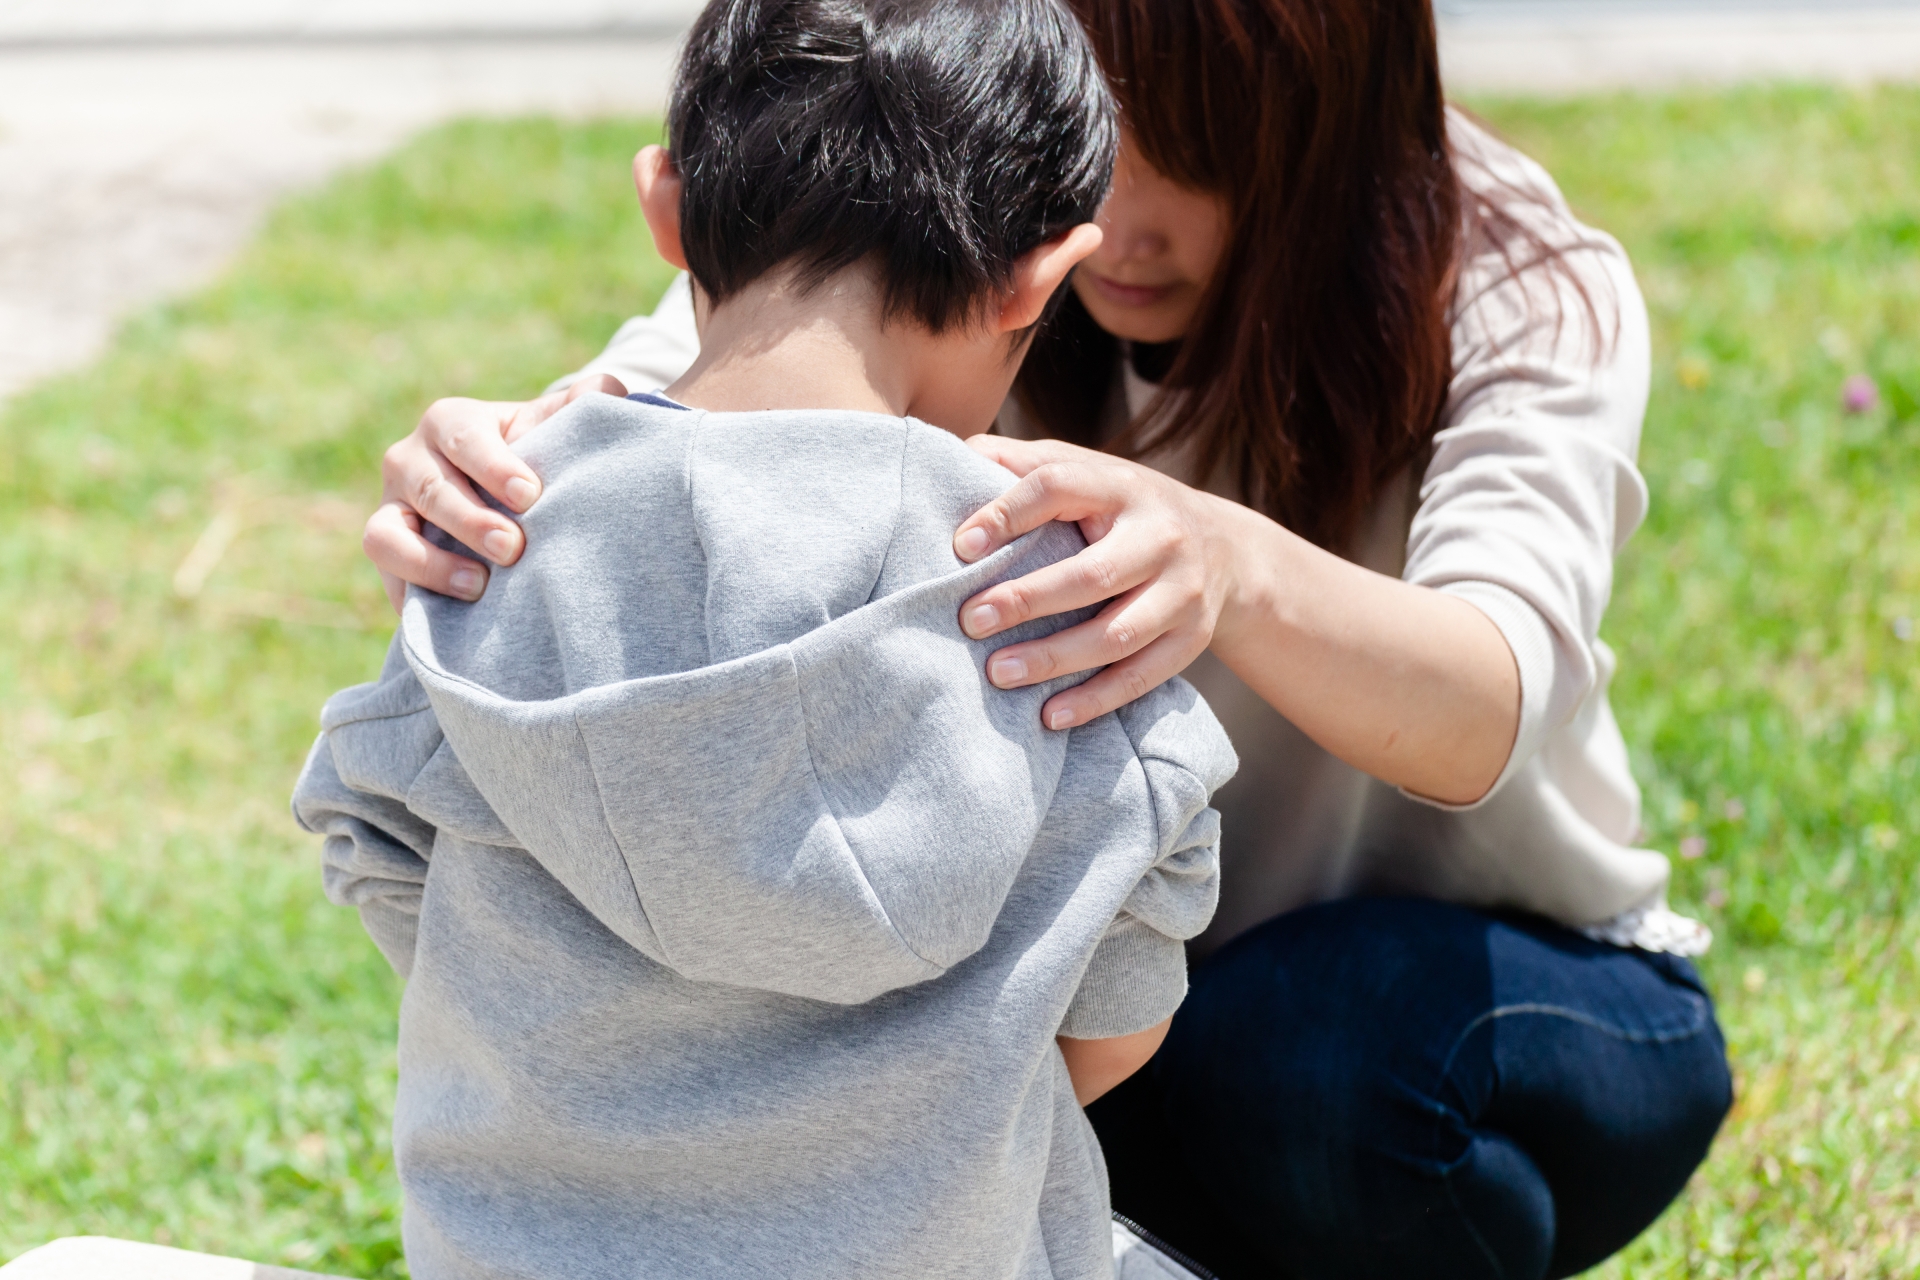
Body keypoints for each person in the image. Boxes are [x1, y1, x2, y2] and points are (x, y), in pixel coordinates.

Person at [362, 1, 1737, 1277]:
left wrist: (1229, 565)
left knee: (1312, 1072)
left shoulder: (1514, 281)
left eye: (1199, 155)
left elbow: (1490, 702)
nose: (1120, 226)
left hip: (1463, 987)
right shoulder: (953, 203)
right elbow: (718, 396)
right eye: (1091, 140)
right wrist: (496, 478)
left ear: (1330, 118)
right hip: (1088, 992)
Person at [292, 2, 1239, 1277]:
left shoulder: (493, 531)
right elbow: (1113, 1024)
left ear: (665, 210)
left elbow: (373, 838)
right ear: (1044, 274)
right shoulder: (1066, 613)